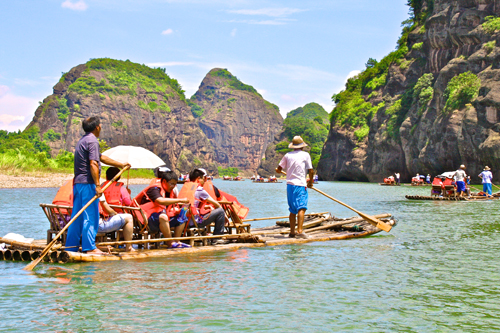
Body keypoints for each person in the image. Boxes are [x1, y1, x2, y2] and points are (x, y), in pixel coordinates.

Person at [65, 117, 129, 254]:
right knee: (91, 216)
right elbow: (93, 163)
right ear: (97, 127)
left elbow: (100, 157)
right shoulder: (93, 140)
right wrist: (98, 185)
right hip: (88, 184)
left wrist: (120, 165)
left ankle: (71, 247)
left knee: (77, 215)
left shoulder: (83, 140)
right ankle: (89, 248)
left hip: (78, 184)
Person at [135, 168, 190, 248]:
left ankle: (177, 241)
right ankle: (170, 243)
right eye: (171, 184)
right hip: (148, 220)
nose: (173, 186)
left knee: (182, 215)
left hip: (163, 220)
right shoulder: (154, 189)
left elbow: (167, 208)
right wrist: (180, 200)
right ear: (164, 181)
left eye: (175, 184)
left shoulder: (169, 192)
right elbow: (160, 201)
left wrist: (177, 210)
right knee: (163, 217)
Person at [276, 136, 314, 239]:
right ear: (302, 146)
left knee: (292, 210)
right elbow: (311, 170)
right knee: (301, 208)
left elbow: (279, 169)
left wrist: (279, 170)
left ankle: (292, 232)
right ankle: (300, 231)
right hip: (300, 185)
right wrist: (311, 182)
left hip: (290, 185)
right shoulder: (305, 155)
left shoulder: (287, 155)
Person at [189, 168, 228, 245]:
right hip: (195, 222)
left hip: (185, 221)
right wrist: (225, 217)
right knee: (220, 211)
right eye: (204, 178)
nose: (205, 181)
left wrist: (207, 207)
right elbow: (217, 204)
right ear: (199, 179)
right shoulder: (199, 190)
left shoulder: (188, 188)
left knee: (214, 210)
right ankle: (217, 238)